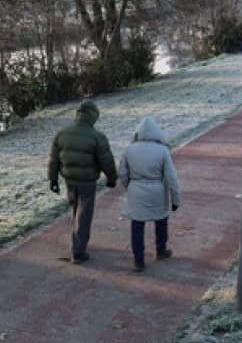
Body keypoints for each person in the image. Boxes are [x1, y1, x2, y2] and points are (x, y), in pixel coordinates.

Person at [47, 100, 118, 263]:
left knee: (75, 210)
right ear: (93, 117)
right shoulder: (98, 137)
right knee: (84, 214)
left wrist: (53, 179)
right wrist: (112, 178)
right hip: (87, 181)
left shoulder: (62, 134)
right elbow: (106, 161)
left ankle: (77, 243)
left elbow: (54, 159)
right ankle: (78, 251)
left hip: (70, 180)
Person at [117, 116, 181, 272]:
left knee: (137, 224)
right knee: (161, 220)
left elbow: (123, 173)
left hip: (136, 190)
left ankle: (138, 259)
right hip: (157, 190)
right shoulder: (163, 150)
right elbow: (171, 177)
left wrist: (130, 187)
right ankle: (161, 250)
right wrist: (175, 199)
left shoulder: (129, 149)